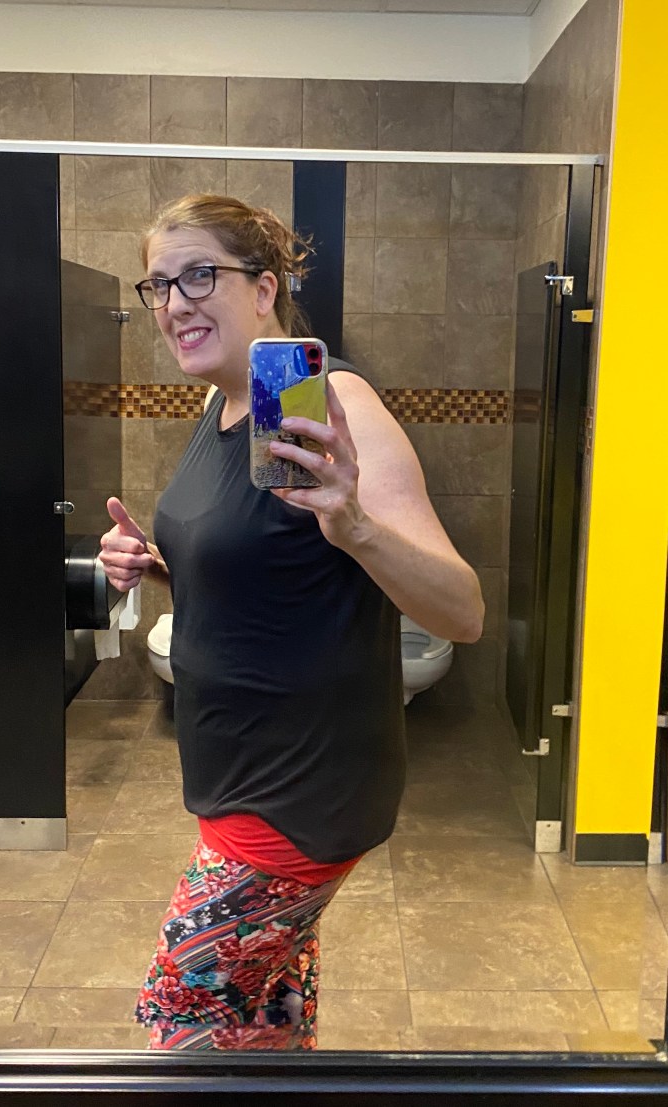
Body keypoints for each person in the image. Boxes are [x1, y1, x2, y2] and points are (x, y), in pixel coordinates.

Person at [98, 194, 484, 1051]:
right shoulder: (224, 406)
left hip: (297, 794)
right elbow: (269, 568)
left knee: (183, 1017)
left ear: (265, 287)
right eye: (158, 284)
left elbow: (461, 611)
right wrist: (159, 565)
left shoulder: (336, 401)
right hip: (236, 772)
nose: (174, 303)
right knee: (266, 1025)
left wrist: (355, 525)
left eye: (200, 275)